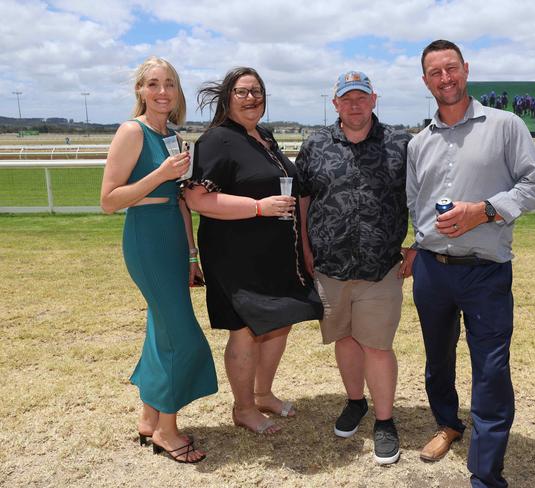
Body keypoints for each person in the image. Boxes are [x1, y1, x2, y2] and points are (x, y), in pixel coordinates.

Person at [406, 40, 535, 487]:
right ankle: (448, 424)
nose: (445, 78)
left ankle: (486, 474)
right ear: (425, 80)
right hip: (431, 269)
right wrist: (417, 243)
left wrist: (483, 210)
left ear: (466, 70)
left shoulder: (506, 126)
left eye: (452, 68)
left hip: (486, 269)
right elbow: (416, 202)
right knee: (437, 360)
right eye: (436, 72)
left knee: (490, 369)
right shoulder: (418, 142)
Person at [184, 67, 323, 435]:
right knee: (245, 328)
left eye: (257, 91)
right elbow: (198, 198)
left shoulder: (263, 135)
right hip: (236, 254)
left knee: (281, 320)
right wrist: (258, 207)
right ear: (227, 97)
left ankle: (262, 394)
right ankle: (243, 408)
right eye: (242, 92)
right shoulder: (216, 140)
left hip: (276, 252)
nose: (251, 98)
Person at [100, 56, 217, 463]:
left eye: (169, 83)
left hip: (173, 237)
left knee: (161, 330)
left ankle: (150, 417)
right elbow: (109, 201)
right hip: (146, 237)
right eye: (153, 83)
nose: (162, 91)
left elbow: (182, 201)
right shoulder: (132, 131)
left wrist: (191, 254)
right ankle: (167, 432)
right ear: (140, 91)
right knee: (181, 337)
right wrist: (161, 173)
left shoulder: (176, 138)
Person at [296, 71, 412, 465]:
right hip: (330, 267)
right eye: (347, 99)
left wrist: (420, 245)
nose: (355, 105)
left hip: (381, 269)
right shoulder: (315, 144)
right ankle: (355, 402)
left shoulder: (400, 143)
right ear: (336, 105)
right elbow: (304, 199)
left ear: (374, 99)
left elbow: (424, 194)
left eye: (362, 97)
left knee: (377, 346)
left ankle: (384, 421)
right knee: (344, 340)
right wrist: (306, 249)